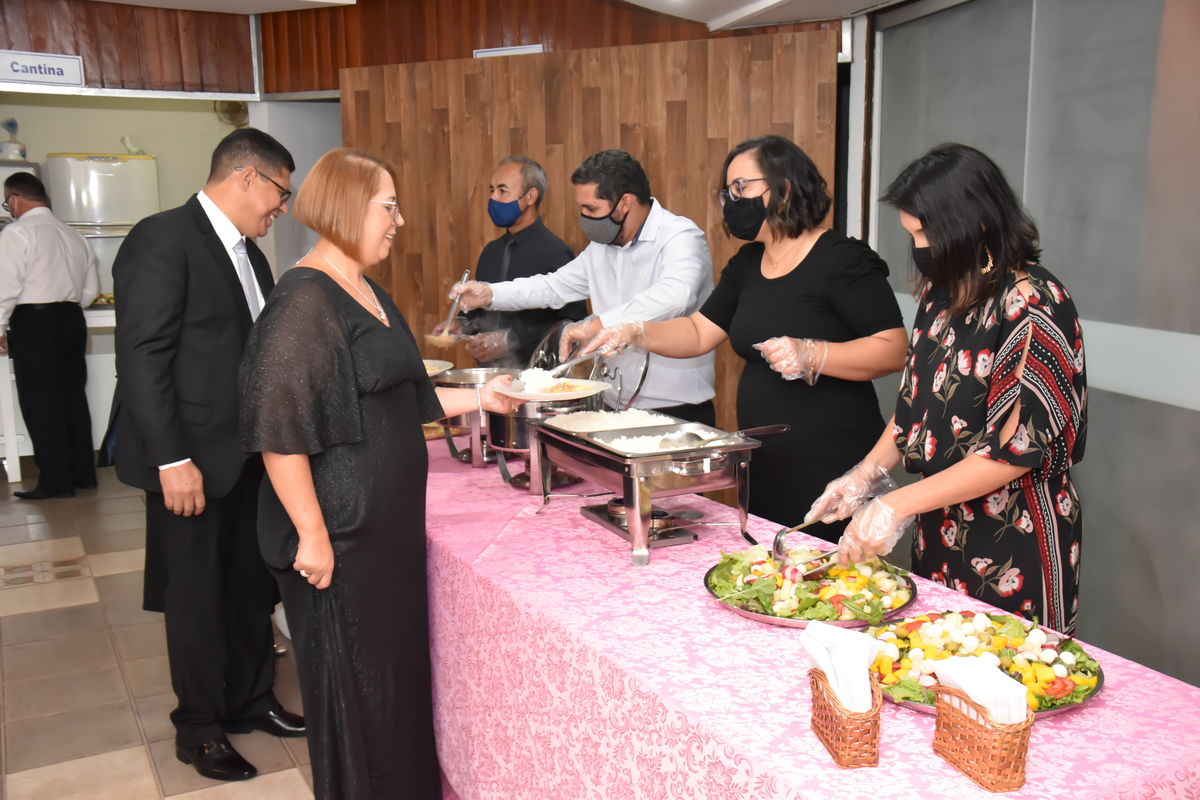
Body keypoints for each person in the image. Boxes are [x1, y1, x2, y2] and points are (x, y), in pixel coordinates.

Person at [240, 147, 524, 800]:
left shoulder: (364, 289)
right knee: (358, 707)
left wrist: (482, 396)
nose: (399, 221)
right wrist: (312, 534)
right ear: (346, 208)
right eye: (388, 207)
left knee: (394, 697)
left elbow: (400, 394)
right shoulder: (303, 301)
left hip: (384, 534)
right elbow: (279, 433)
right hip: (341, 540)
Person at [808, 144, 1087, 634]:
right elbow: (914, 407)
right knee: (930, 658)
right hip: (937, 524)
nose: (919, 248)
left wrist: (894, 505)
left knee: (1008, 670)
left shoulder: (1033, 306)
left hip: (1013, 538)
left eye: (925, 234)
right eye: (912, 234)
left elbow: (1012, 453)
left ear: (975, 222)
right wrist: (864, 475)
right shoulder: (943, 295)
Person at [577, 136, 907, 534]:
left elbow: (894, 350)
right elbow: (698, 331)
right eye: (727, 192)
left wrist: (815, 355)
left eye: (741, 188)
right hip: (765, 460)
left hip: (835, 462)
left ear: (784, 188)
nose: (732, 201)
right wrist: (637, 332)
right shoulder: (748, 263)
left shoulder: (841, 258)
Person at [104, 129, 304, 781]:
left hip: (246, 456)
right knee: (195, 598)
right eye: (280, 192)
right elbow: (142, 359)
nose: (283, 207)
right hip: (188, 461)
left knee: (250, 587)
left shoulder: (253, 257)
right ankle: (197, 728)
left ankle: (251, 700)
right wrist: (170, 460)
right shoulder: (163, 238)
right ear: (246, 177)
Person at [450, 149, 718, 424]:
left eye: (591, 209)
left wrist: (595, 326)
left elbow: (675, 296)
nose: (584, 218)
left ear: (624, 203)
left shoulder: (680, 236)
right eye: (581, 208)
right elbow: (552, 286)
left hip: (677, 410)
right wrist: (490, 293)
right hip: (613, 406)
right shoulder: (601, 247)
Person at [433, 156, 587, 366]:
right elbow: (482, 312)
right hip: (489, 376)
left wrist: (511, 340)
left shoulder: (556, 252)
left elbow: (572, 324)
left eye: (502, 191)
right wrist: (461, 324)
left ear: (530, 196)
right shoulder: (491, 252)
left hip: (538, 376)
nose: (493, 198)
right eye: (492, 190)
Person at [0, 173, 99, 498]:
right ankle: (83, 475)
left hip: (35, 322)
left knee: (41, 402)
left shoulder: (17, 233)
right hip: (71, 319)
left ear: (14, 199)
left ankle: (56, 482)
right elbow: (89, 292)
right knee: (73, 397)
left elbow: (5, 287)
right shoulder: (74, 235)